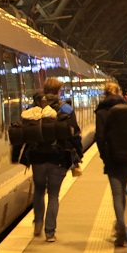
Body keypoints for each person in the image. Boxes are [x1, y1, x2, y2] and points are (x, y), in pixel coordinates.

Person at [24, 77, 80, 243]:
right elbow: (74, 134)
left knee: (39, 191)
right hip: (58, 158)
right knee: (54, 195)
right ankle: (50, 233)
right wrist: (78, 157)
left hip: (37, 157)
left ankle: (38, 222)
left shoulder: (32, 107)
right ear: (58, 91)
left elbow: (25, 133)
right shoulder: (66, 108)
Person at [95, 82, 127, 245]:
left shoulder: (102, 111)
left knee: (117, 193)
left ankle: (121, 227)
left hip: (112, 158)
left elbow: (100, 137)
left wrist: (104, 156)